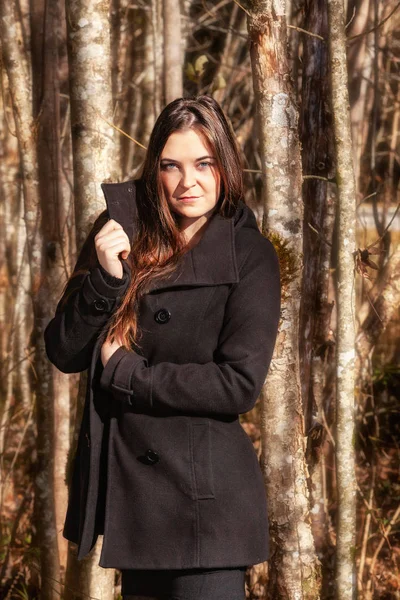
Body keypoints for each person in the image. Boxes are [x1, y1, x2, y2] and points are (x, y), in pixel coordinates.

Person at [44, 95, 281, 600]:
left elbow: (238, 384)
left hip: (207, 512)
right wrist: (106, 282)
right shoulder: (122, 231)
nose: (186, 181)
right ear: (154, 169)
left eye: (203, 164)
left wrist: (129, 374)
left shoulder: (250, 255)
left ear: (226, 165)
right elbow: (63, 351)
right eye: (170, 166)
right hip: (138, 508)